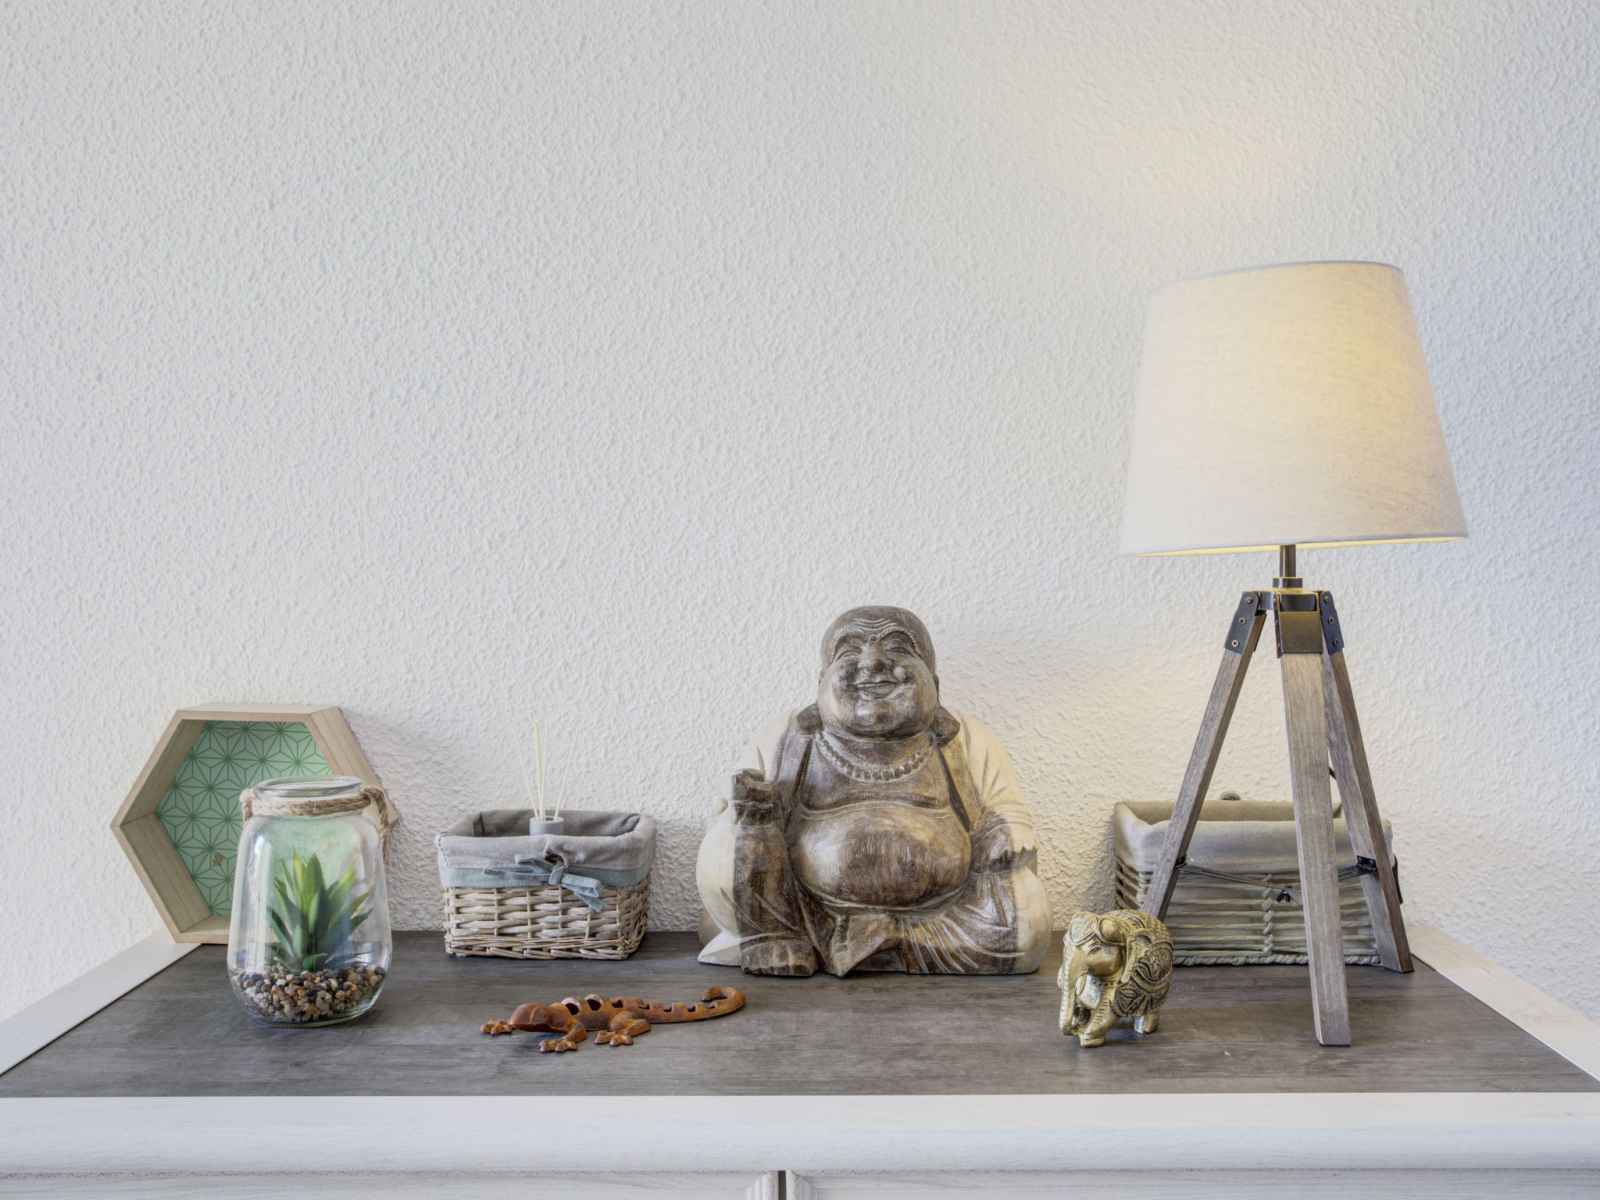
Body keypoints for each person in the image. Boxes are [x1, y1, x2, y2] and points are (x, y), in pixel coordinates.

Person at [696, 606, 1050, 976]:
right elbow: (738, 815)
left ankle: (894, 941)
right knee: (730, 844)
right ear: (821, 682)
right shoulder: (788, 736)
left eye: (897, 648)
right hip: (803, 913)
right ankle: (772, 937)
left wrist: (1008, 831)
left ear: (934, 682)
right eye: (849, 651)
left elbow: (1004, 804)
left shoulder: (965, 737)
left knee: (1029, 921)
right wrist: (751, 809)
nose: (873, 663)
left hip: (941, 917)